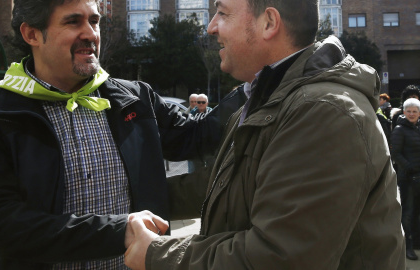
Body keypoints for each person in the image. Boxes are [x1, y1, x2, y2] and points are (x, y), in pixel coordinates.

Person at [124, 0, 405, 269]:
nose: (211, 27)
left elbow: (278, 259)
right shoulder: (268, 100)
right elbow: (224, 186)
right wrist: (130, 199)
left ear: (269, 22)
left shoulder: (324, 112)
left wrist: (155, 255)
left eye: (222, 13)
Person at [0, 0, 222, 269]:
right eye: (73, 22)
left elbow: (200, 135)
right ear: (31, 34)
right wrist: (119, 231)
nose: (91, 34)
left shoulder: (135, 98)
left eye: (94, 22)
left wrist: (257, 82)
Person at [391, 98, 420, 261]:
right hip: (407, 178)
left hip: (419, 177)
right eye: (408, 111)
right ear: (404, 112)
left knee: (417, 212)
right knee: (407, 213)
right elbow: (396, 154)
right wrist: (409, 168)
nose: (411, 114)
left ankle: (416, 242)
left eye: (414, 111)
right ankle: (407, 246)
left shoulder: (418, 128)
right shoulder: (399, 130)